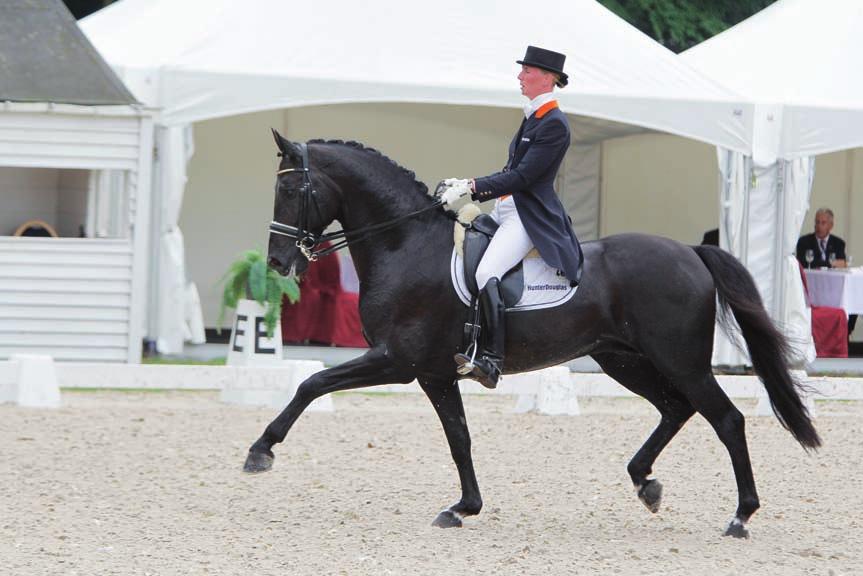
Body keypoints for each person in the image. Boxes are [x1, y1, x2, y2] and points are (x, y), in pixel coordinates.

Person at [440, 45, 583, 389]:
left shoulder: (554, 124)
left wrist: (472, 187)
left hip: (528, 215)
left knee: (488, 270)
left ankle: (492, 359)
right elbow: (510, 171)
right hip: (506, 208)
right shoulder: (533, 117)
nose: (520, 76)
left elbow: (523, 178)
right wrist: (467, 183)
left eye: (527, 71)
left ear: (548, 79)